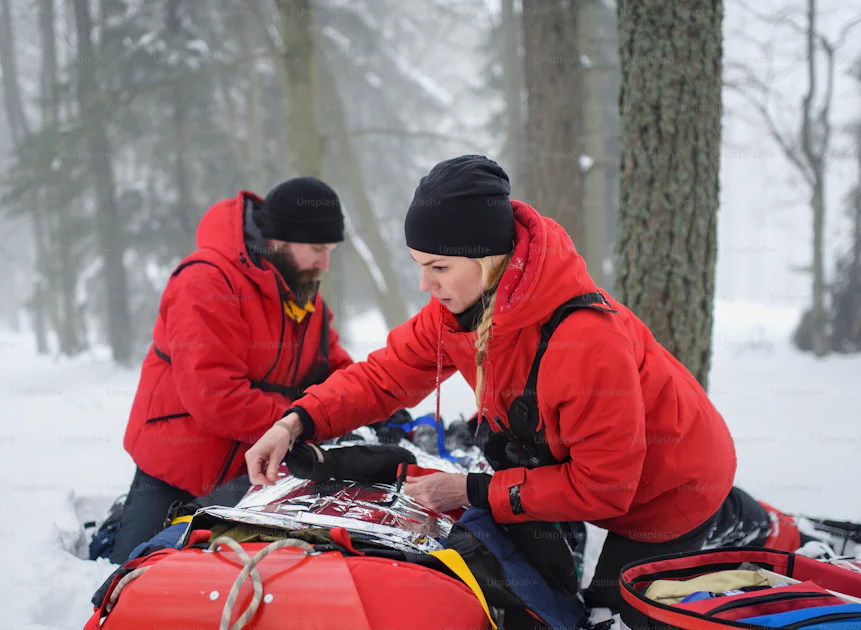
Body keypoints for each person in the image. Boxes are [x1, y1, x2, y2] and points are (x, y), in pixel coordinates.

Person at [245, 156, 740, 625]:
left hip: (672, 490)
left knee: (612, 615)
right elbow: (383, 376)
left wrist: (471, 490)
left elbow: (605, 487)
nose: (424, 284)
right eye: (419, 264)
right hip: (580, 471)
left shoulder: (585, 340)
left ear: (485, 259)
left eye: (437, 267)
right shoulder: (461, 310)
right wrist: (295, 423)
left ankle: (738, 524)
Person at [109, 177, 355, 562]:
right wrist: (301, 422)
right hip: (177, 471)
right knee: (131, 571)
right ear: (279, 240)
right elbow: (216, 396)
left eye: (330, 251)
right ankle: (118, 526)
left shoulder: (305, 298)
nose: (325, 263)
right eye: (318, 248)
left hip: (257, 474)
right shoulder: (206, 281)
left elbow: (337, 373)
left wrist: (365, 406)